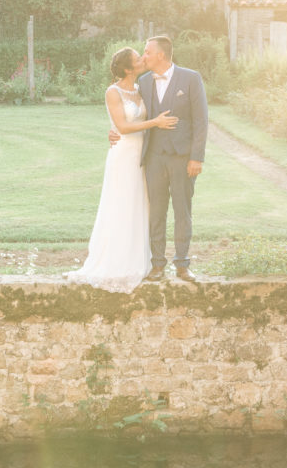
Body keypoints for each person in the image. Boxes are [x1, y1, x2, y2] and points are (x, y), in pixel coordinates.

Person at [67, 47, 177, 292]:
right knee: (121, 204)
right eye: (138, 59)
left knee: (141, 204)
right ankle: (116, 263)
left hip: (144, 153)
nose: (142, 60)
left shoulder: (142, 88)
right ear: (128, 68)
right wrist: (156, 122)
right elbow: (123, 126)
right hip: (124, 153)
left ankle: (139, 260)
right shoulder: (113, 92)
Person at [135, 35, 208, 282]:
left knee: (182, 211)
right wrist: (117, 130)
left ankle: (182, 264)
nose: (143, 56)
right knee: (156, 212)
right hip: (154, 157)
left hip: (182, 157)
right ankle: (157, 265)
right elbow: (134, 115)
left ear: (161, 55)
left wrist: (196, 157)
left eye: (147, 52)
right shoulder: (143, 82)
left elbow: (201, 120)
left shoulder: (190, 78)